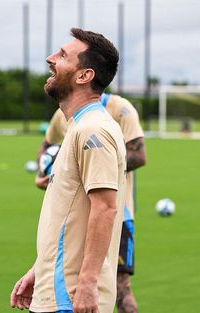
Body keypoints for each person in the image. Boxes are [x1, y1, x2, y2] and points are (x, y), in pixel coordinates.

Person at [10, 28, 127, 313]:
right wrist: (40, 268)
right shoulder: (78, 126)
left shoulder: (93, 130)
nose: (51, 59)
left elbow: (105, 209)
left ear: (84, 75)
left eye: (62, 55)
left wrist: (86, 284)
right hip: (59, 288)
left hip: (71, 297)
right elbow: (70, 213)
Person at [36, 93, 146, 313]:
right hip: (73, 216)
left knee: (120, 287)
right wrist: (44, 172)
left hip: (116, 214)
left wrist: (99, 163)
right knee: (66, 291)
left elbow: (140, 155)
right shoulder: (63, 114)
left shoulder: (121, 110)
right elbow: (46, 146)